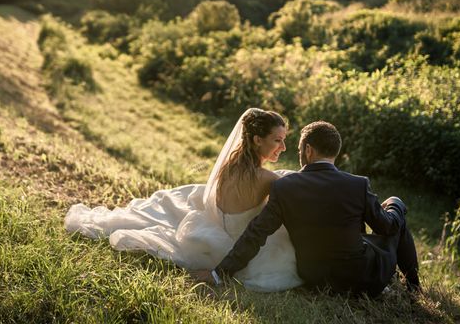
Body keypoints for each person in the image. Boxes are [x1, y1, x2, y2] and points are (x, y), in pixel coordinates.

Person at [64, 108, 302, 291]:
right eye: (277, 140)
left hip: (216, 230)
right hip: (236, 248)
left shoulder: (230, 165)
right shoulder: (266, 179)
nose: (282, 147)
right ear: (258, 140)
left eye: (284, 140)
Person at [194, 121, 420, 297]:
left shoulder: (284, 187)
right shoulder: (358, 184)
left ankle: (410, 284)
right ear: (335, 152)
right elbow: (387, 226)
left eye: (300, 148)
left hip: (314, 278)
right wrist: (396, 205)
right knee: (395, 211)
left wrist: (219, 272)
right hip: (362, 278)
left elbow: (256, 233)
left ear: (308, 150)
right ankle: (414, 286)